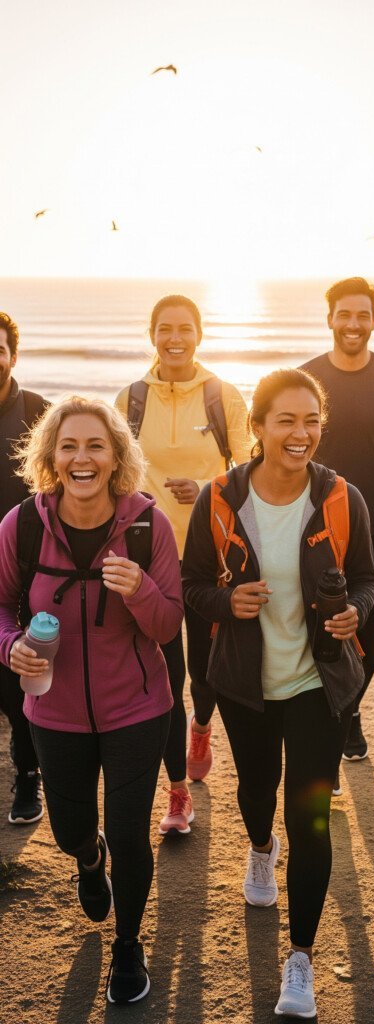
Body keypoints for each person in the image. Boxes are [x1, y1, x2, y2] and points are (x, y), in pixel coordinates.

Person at [182, 368, 374, 1018]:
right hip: (245, 686)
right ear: (257, 428)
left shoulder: (342, 498)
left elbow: (366, 579)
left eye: (310, 420)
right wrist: (224, 599)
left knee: (311, 819)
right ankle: (259, 851)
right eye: (286, 420)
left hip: (319, 684)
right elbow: (190, 584)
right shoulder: (218, 499)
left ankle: (300, 960)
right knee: (257, 791)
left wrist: (354, 611)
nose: (301, 434)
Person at [0, 396, 183, 1004]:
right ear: (52, 457)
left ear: (116, 457)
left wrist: (141, 592)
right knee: (70, 827)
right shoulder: (22, 526)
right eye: (70, 446)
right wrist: (10, 648)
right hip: (52, 711)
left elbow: (167, 627)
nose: (82, 458)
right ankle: (86, 857)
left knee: (131, 833)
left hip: (137, 707)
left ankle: (128, 948)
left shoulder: (146, 525)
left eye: (96, 446)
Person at [115, 295, 251, 836]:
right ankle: (177, 796)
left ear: (199, 334)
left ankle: (201, 725)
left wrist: (207, 491)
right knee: (167, 674)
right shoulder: (131, 398)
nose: (175, 338)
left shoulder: (223, 396)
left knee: (207, 668)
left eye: (185, 329)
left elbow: (249, 470)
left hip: (210, 555)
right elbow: (113, 471)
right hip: (147, 555)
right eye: (165, 329)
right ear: (152, 334)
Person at [301, 277, 374, 763]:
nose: (353, 324)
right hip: (313, 526)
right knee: (316, 624)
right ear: (329, 318)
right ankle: (331, 724)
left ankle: (349, 710)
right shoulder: (305, 378)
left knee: (368, 631)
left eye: (362, 315)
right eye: (344, 315)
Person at [0, 311, 49, 825]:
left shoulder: (38, 412)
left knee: (17, 681)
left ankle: (28, 775)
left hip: (24, 569)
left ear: (13, 354)